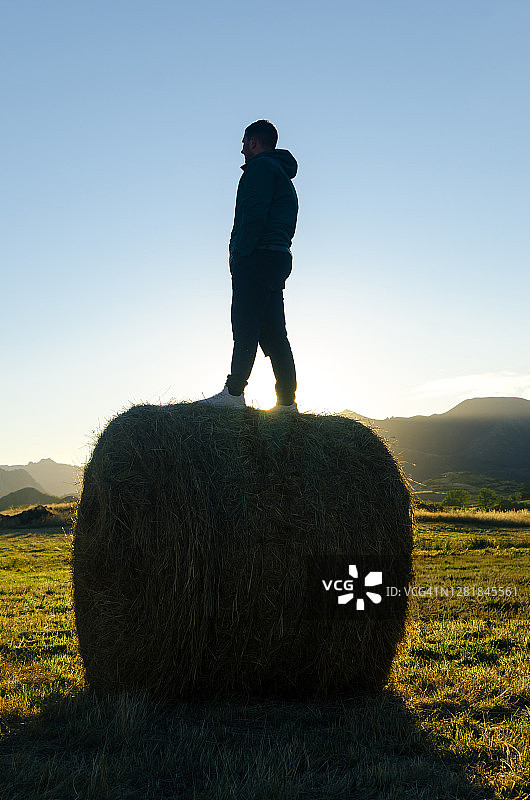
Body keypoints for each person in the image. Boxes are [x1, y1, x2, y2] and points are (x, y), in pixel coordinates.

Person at [201, 119, 299, 411]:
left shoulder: (259, 170)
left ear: (254, 142)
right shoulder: (282, 175)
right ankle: (286, 403)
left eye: (244, 142)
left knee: (245, 325)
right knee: (274, 332)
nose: (242, 149)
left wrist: (239, 255)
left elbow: (252, 216)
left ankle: (233, 394)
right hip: (277, 257)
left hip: (256, 257)